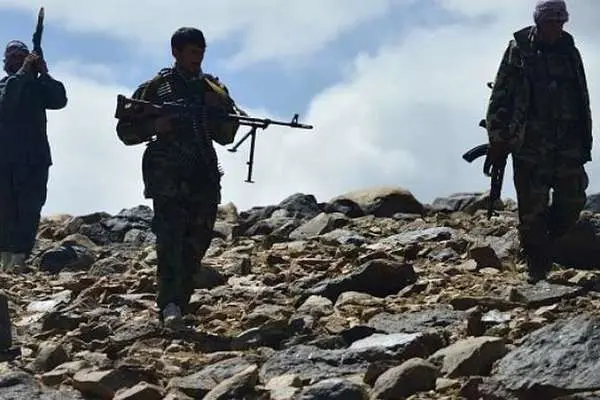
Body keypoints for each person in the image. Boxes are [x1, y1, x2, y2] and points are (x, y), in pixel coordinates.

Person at [115, 27, 240, 329]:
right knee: (170, 239)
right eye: (192, 52)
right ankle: (169, 304)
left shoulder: (213, 89)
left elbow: (227, 135)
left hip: (203, 175)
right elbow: (125, 131)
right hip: (168, 175)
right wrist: (155, 126)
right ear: (176, 52)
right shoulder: (156, 88)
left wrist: (219, 109)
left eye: (201, 52)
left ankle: (180, 302)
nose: (198, 58)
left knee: (197, 242)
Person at [485, 0, 592, 283]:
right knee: (532, 209)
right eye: (551, 21)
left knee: (573, 199)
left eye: (560, 21)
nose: (556, 27)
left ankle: (549, 243)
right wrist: (498, 138)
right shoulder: (519, 51)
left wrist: (584, 140)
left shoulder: (570, 52)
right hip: (530, 144)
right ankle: (536, 264)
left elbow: (581, 96)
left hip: (567, 144)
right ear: (539, 22)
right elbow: (500, 96)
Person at [0, 40, 67, 270]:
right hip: (5, 160)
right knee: (5, 209)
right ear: (6, 62)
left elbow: (59, 100)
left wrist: (44, 73)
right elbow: (6, 102)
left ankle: (19, 258)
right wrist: (23, 72)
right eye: (14, 56)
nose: (19, 60)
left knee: (29, 208)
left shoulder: (37, 87)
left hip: (34, 160)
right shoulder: (6, 85)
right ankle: (5, 258)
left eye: (23, 56)